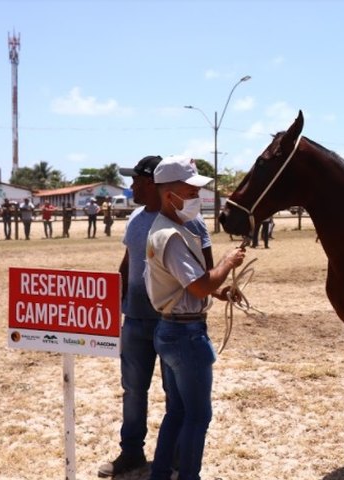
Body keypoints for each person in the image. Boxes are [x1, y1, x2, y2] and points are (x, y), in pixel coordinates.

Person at [98, 155, 233, 478]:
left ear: (152, 184)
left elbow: (203, 275)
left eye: (137, 182)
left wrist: (220, 290)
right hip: (151, 321)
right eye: (190, 192)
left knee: (176, 402)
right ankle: (138, 454)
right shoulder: (145, 223)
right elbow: (131, 262)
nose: (133, 187)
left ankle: (172, 462)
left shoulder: (188, 225)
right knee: (142, 392)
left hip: (167, 319)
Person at [144, 155, 245, 480]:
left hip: (172, 329)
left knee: (178, 411)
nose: (195, 199)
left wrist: (221, 291)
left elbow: (190, 286)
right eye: (189, 192)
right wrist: (227, 264)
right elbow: (199, 286)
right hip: (186, 335)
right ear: (168, 194)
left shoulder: (168, 229)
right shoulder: (172, 237)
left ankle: (161, 474)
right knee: (198, 415)